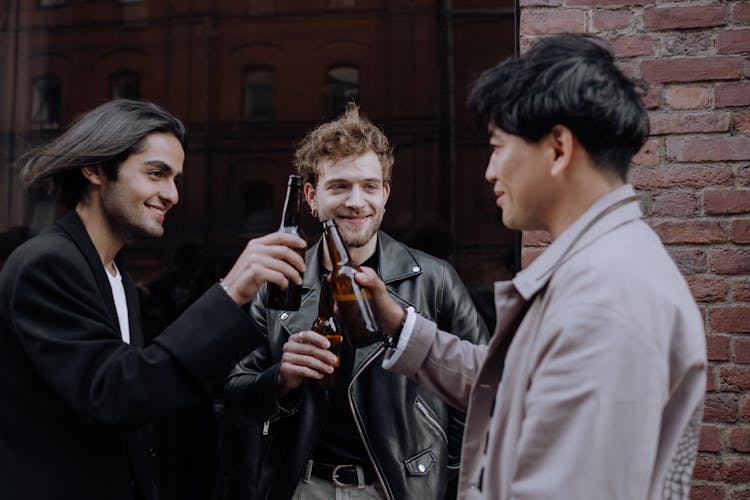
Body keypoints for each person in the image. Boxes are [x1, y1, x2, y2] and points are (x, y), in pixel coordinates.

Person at [356, 33, 707, 499]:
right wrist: (400, 324)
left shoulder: (607, 296)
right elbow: (518, 386)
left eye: (498, 146)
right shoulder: (600, 269)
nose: (489, 170)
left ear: (558, 148)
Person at [0, 99, 307, 500]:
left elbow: (144, 391)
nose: (172, 194)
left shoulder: (116, 277)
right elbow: (115, 393)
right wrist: (231, 292)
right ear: (94, 169)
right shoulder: (46, 264)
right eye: (156, 174)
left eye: (175, 179)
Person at [218, 104, 489, 500]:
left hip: (398, 488)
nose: (356, 201)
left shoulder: (435, 279)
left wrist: (437, 468)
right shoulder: (279, 283)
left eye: (369, 186)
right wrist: (281, 379)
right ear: (312, 196)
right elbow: (234, 398)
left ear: (386, 195)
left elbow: (483, 388)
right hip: (304, 487)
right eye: (339, 186)